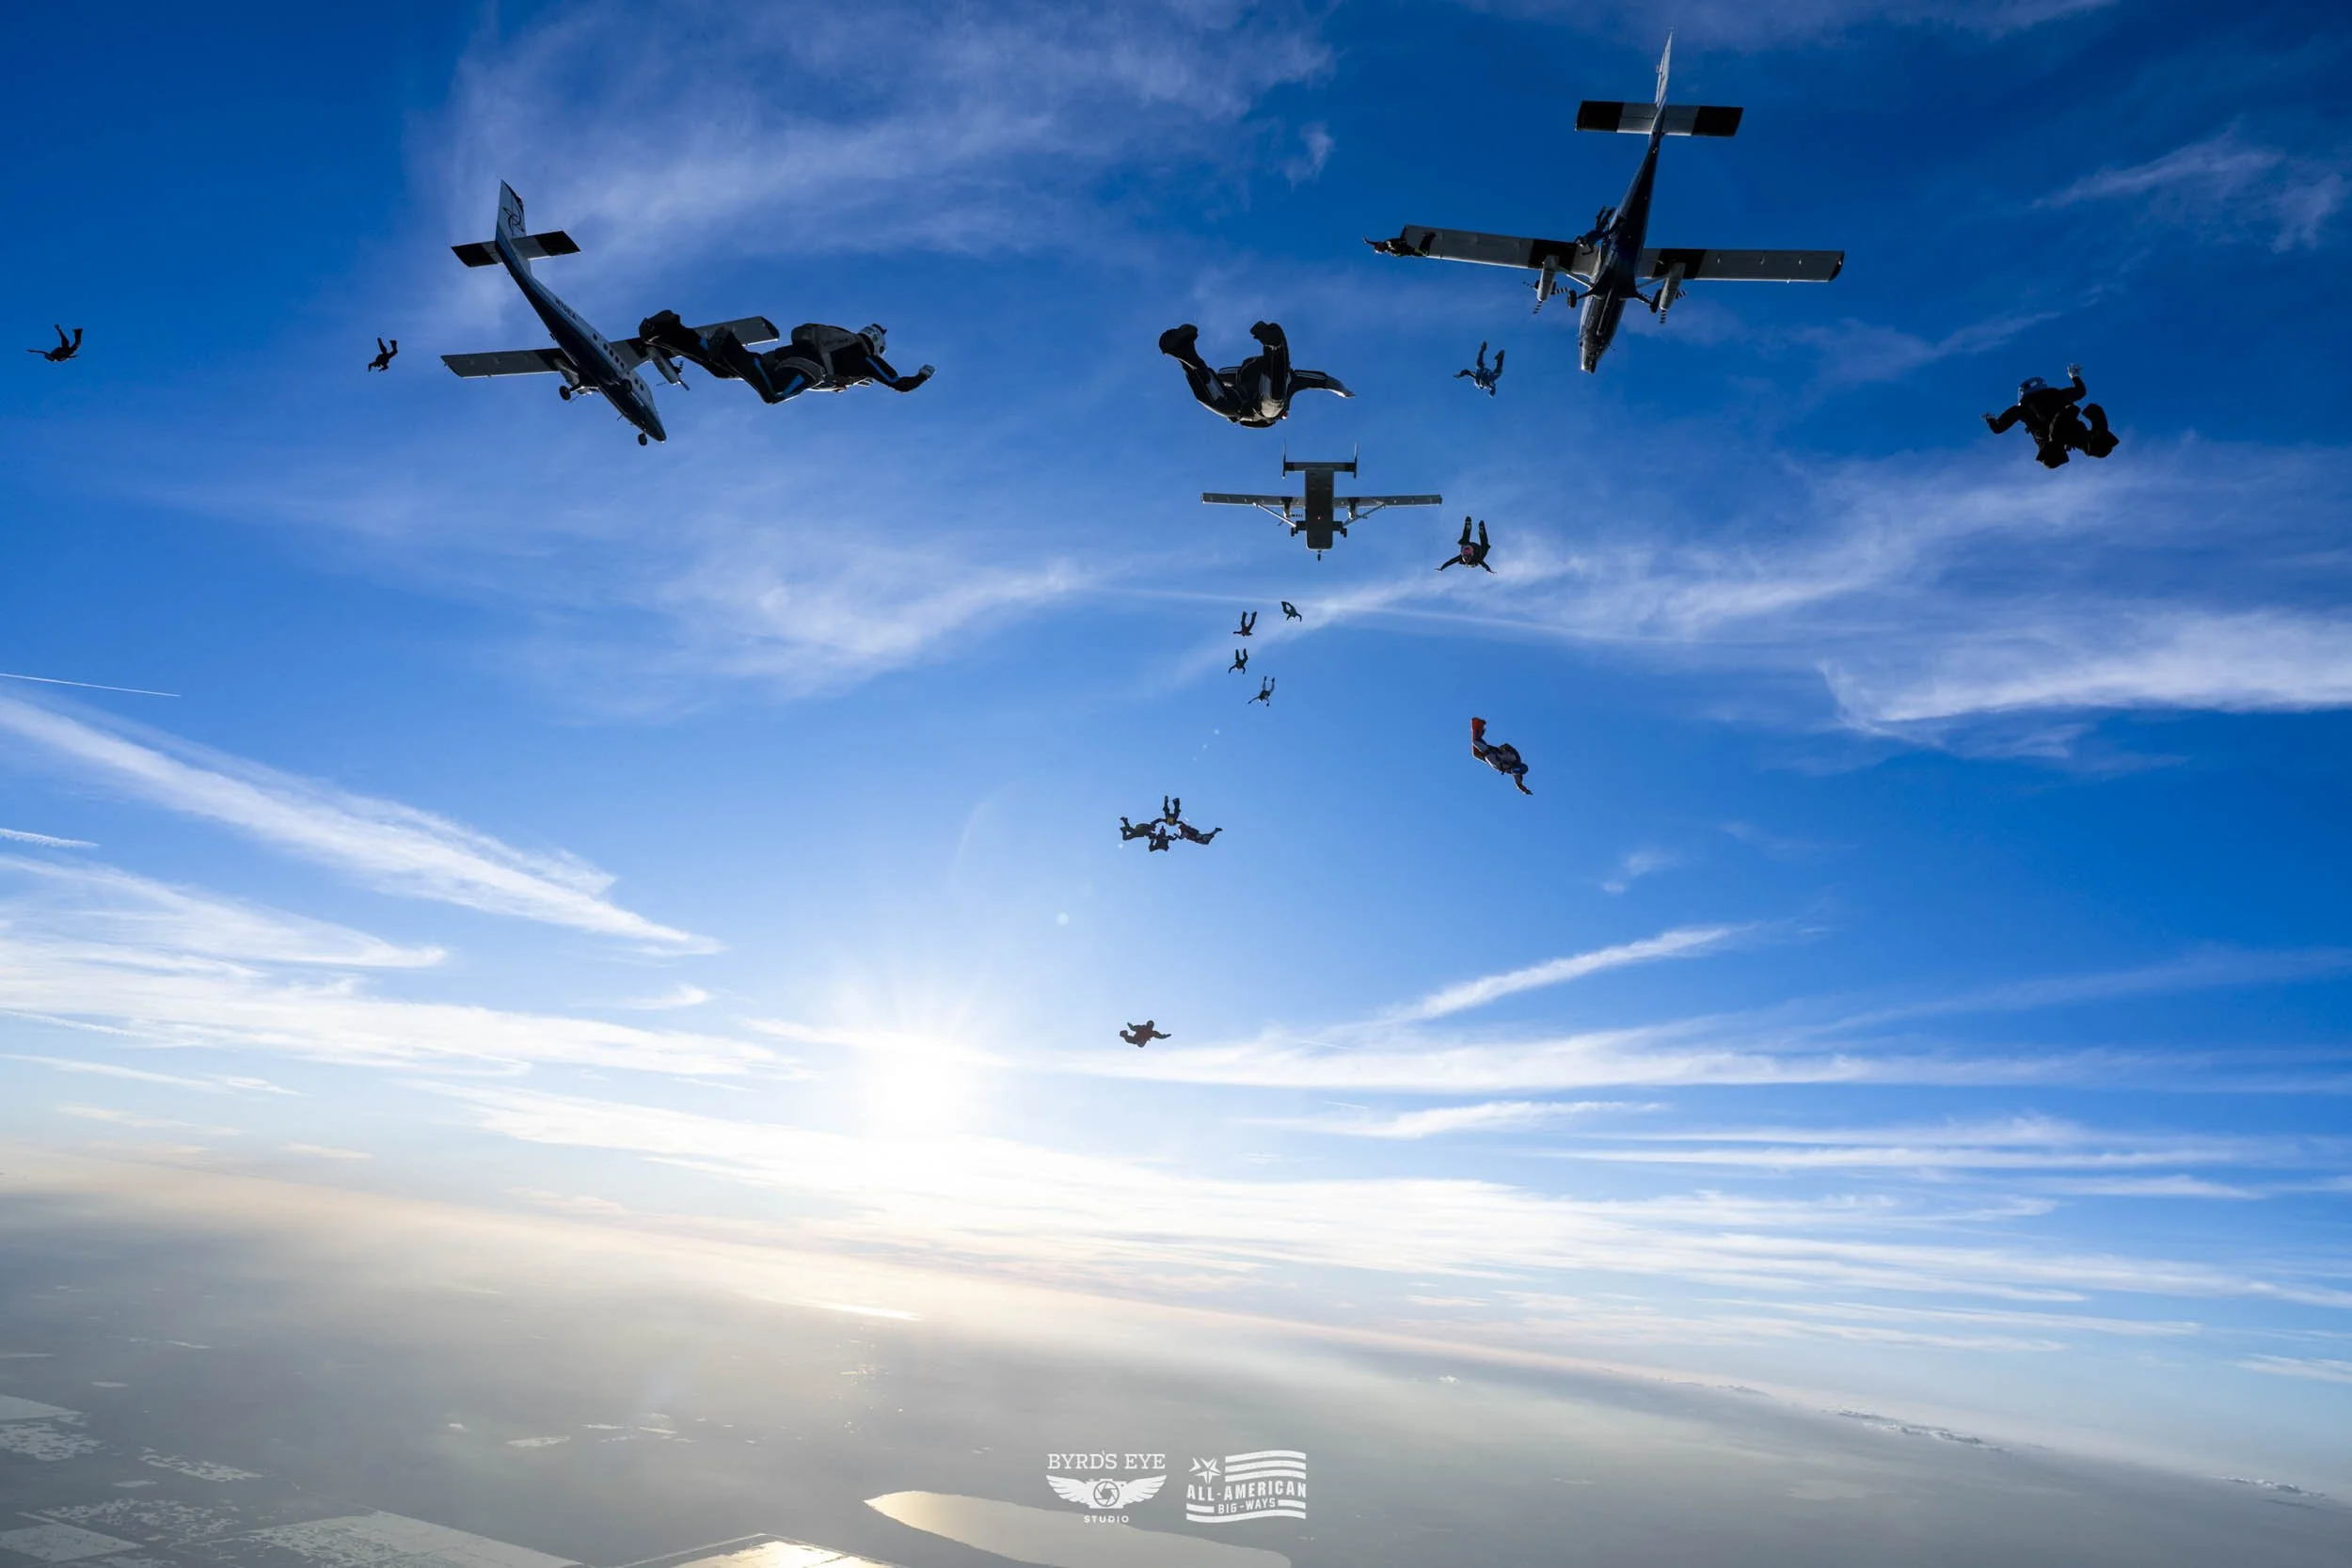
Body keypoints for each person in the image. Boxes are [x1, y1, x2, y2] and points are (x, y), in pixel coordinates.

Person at [1157, 321, 1350, 427]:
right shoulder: (1295, 377)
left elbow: (1218, 375)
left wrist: (1199, 368)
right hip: (1259, 401)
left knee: (1218, 400)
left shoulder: (1239, 372)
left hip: (1241, 401)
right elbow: (1325, 381)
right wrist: (1344, 391)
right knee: (1274, 401)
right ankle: (1277, 346)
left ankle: (1184, 352)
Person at [1984, 363, 2117, 468]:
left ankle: (2066, 432)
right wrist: (2074, 376)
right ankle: (2095, 432)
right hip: (2068, 426)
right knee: (2096, 446)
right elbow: (2080, 392)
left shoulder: (2022, 408)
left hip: (2049, 437)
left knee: (2051, 459)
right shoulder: (2056, 394)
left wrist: (1990, 419)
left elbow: (1998, 428)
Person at [1470, 716, 1532, 794]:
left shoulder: (1517, 775)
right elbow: (1506, 749)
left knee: (1475, 754)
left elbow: (1519, 784)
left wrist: (1525, 790)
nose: (1514, 771)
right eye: (1516, 769)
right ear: (1518, 765)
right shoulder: (1514, 758)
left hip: (1491, 760)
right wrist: (1501, 750)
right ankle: (1478, 723)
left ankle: (1480, 731)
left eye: (1516, 772)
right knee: (1476, 742)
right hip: (1491, 753)